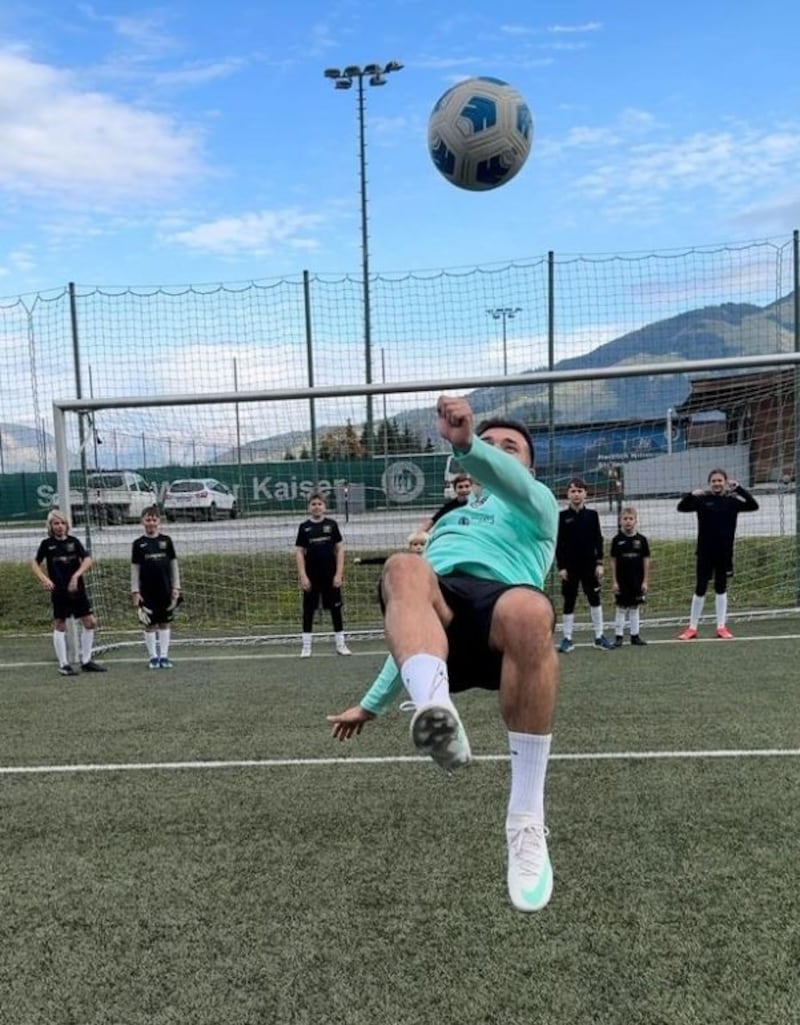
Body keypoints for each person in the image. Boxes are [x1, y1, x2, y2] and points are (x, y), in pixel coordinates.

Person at [327, 397, 560, 913]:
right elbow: (410, 624)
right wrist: (371, 704)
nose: (497, 451)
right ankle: (439, 711)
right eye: (490, 443)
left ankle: (524, 822)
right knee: (404, 569)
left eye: (510, 447)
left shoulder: (538, 503)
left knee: (529, 610)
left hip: (503, 619)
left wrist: (470, 444)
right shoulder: (450, 521)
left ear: (529, 465)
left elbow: (513, 482)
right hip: (445, 621)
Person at [676, 468, 759, 639]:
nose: (716, 484)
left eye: (720, 480)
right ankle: (692, 628)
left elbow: (753, 505)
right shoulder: (702, 500)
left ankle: (721, 627)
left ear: (725, 482)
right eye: (713, 481)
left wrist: (739, 488)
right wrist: (691, 494)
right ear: (709, 483)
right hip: (705, 552)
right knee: (700, 588)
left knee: (721, 588)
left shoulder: (732, 501)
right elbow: (681, 507)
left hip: (724, 553)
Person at [31, 509, 107, 676]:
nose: (59, 526)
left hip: (77, 590)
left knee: (90, 623)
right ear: (50, 526)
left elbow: (87, 559)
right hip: (59, 591)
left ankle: (86, 660)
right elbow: (35, 564)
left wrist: (77, 575)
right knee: (60, 624)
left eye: (62, 523)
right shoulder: (47, 544)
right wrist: (45, 579)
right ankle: (63, 664)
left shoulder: (74, 542)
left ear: (67, 525)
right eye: (56, 523)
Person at [555, 478, 614, 652]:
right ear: (567, 494)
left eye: (580, 491)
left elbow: (598, 539)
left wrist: (600, 563)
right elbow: (559, 543)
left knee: (594, 599)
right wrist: (562, 567)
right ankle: (567, 638)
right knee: (569, 600)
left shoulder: (592, 515)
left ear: (585, 494)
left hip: (590, 566)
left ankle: (599, 636)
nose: (576, 494)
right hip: (570, 567)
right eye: (573, 491)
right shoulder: (562, 517)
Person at [295, 493, 351, 658]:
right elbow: (299, 552)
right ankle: (306, 647)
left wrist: (339, 573)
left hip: (330, 575)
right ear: (309, 507)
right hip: (312, 576)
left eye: (320, 503)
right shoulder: (304, 527)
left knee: (335, 609)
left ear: (325, 506)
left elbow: (340, 549)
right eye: (313, 504)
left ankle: (341, 645)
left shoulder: (332, 525)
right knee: (308, 610)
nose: (317, 506)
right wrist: (303, 575)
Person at [130, 505, 181, 669]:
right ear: (142, 521)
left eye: (154, 520)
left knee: (165, 623)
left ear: (159, 521)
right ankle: (153, 657)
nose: (151, 523)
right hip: (147, 591)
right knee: (149, 624)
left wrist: (176, 587)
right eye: (148, 520)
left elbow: (174, 564)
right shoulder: (138, 544)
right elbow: (135, 568)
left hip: (165, 589)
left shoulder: (166, 541)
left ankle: (164, 656)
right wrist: (135, 591)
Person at [610, 506, 651, 646]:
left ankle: (635, 636)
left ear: (636, 521)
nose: (628, 521)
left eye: (630, 519)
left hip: (637, 580)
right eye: (625, 519)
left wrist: (645, 580)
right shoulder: (617, 540)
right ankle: (619, 636)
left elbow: (646, 560)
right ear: (620, 521)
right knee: (621, 608)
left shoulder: (642, 540)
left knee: (634, 608)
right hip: (622, 580)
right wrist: (614, 581)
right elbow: (613, 561)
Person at [353, 530, 429, 566]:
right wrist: (362, 561)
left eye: (422, 544)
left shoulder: (431, 558)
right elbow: (385, 559)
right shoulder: (405, 559)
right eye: (415, 544)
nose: (419, 547)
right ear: (409, 547)